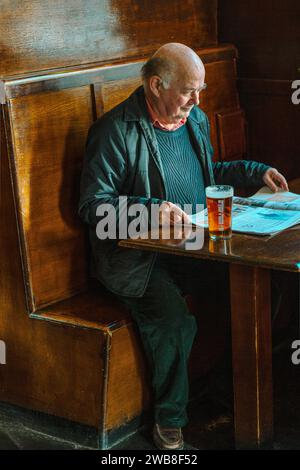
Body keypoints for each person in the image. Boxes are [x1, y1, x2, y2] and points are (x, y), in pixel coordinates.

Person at [78, 43, 288, 450]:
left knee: (267, 289)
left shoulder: (194, 120)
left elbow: (208, 175)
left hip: (194, 244)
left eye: (201, 90)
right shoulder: (114, 131)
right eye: (190, 90)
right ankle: (168, 420)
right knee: (174, 318)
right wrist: (148, 209)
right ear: (157, 85)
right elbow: (92, 207)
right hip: (137, 259)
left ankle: (227, 388)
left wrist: (256, 171)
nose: (197, 99)